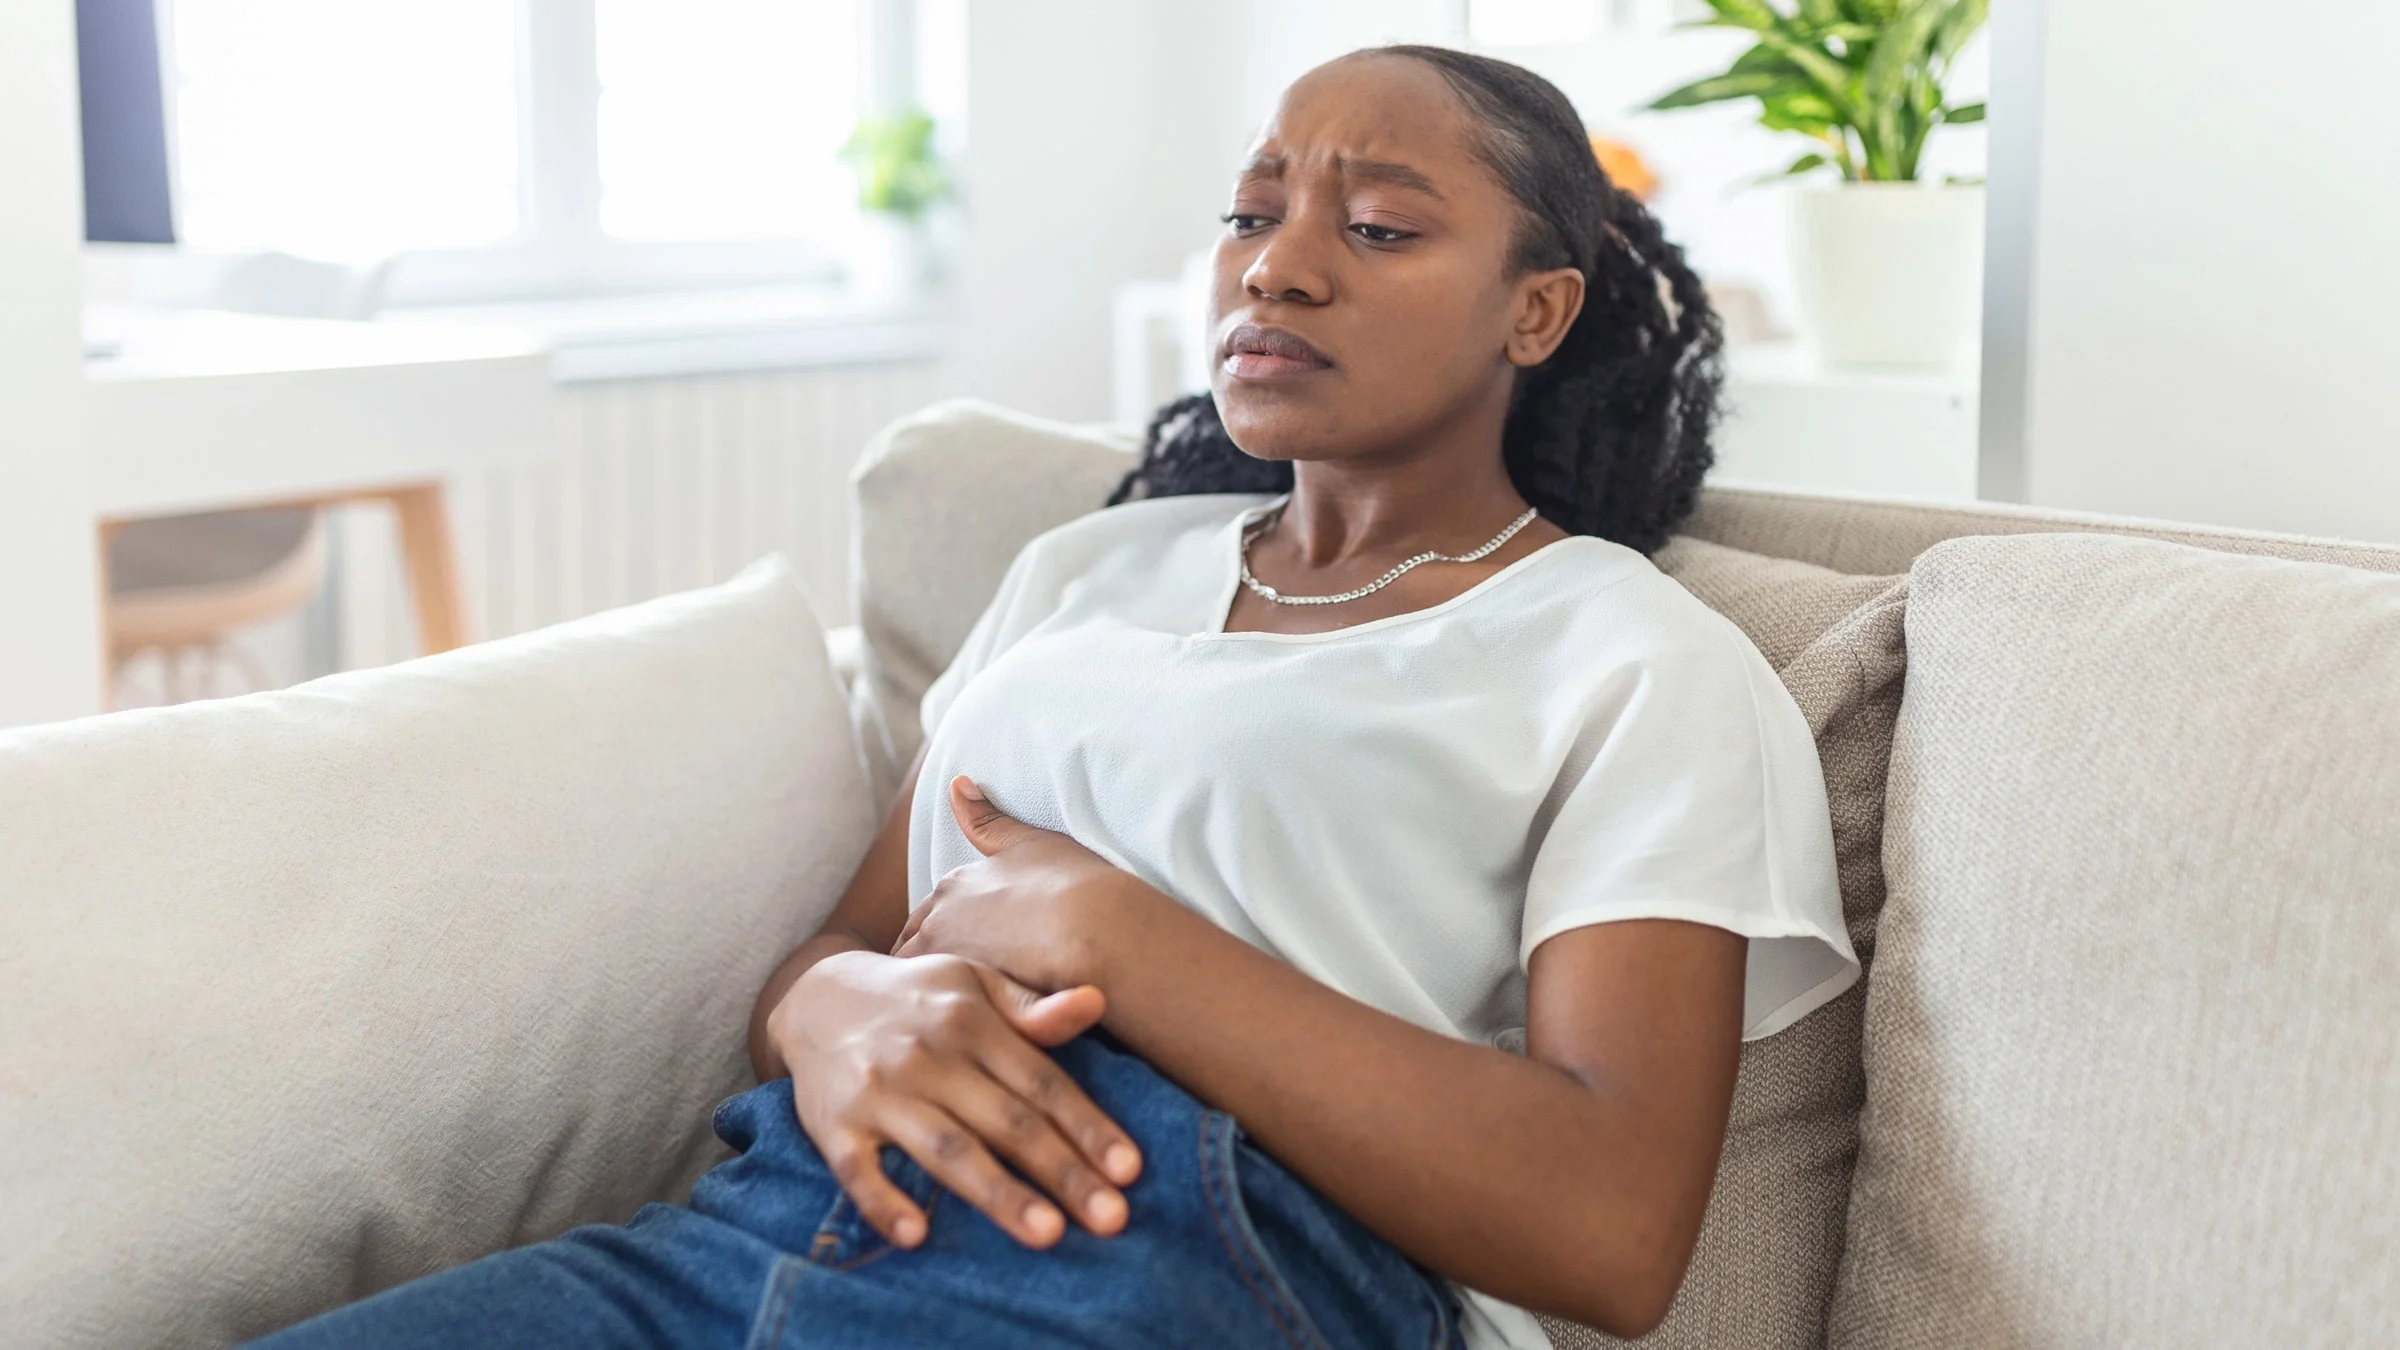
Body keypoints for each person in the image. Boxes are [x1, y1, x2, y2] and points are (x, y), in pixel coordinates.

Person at [255, 44, 1853, 1350]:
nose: (1277, 267)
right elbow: (853, 934)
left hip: (1188, 1269)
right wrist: (829, 1007)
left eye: (1376, 229)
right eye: (1249, 215)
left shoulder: (1629, 657)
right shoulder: (1090, 572)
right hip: (757, 1225)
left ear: (1536, 310)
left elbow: (1613, 1229)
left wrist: (1120, 938)